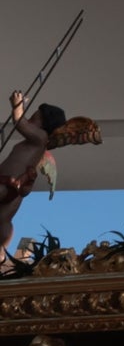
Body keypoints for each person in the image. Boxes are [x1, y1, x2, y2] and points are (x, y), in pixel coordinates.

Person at [0, 91, 100, 270]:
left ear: (45, 124)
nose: (30, 119)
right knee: (4, 219)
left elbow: (20, 123)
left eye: (34, 117)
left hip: (8, 183)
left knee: (4, 219)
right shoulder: (36, 143)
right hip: (12, 186)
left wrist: (17, 106)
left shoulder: (40, 138)